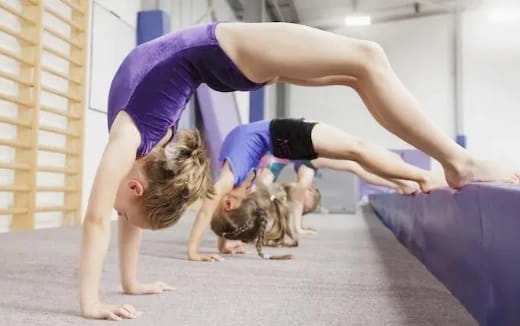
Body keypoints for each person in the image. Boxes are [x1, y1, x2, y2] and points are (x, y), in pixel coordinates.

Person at [80, 21, 519, 321]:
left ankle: (457, 162)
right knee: (364, 64)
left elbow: (97, 218)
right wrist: (131, 283)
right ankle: (450, 162)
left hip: (223, 50)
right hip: (221, 56)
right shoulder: (144, 155)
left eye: (125, 211)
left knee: (365, 61)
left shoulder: (127, 139)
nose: (119, 219)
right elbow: (121, 215)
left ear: (136, 186)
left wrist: (91, 301)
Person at [190, 118, 443, 261]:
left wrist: (194, 251)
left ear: (228, 203)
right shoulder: (236, 187)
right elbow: (225, 216)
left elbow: (208, 211)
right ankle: (408, 181)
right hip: (282, 144)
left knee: (358, 150)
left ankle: (422, 177)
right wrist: (223, 244)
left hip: (283, 136)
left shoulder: (228, 180)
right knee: (356, 155)